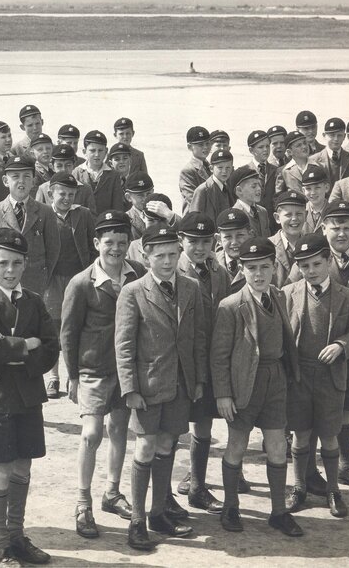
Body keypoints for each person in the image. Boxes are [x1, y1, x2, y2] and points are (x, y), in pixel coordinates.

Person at [0, 228, 60, 568]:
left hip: (28, 396)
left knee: (24, 466)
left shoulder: (34, 301)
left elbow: (51, 349)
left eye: (17, 263)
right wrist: (27, 345)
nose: (10, 270)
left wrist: (15, 350)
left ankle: (18, 536)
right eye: (3, 263)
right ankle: (1, 544)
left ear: (25, 264)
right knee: (2, 470)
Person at [115, 222, 206, 551]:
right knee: (145, 447)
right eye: (160, 255)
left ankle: (158, 512)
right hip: (148, 385)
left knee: (168, 444)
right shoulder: (133, 292)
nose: (167, 261)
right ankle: (137, 519)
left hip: (180, 384)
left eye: (172, 254)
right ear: (146, 255)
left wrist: (197, 380)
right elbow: (124, 345)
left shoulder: (191, 287)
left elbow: (197, 338)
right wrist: (130, 388)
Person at [60, 210, 144, 538]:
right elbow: (69, 332)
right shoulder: (81, 283)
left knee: (120, 429)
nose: (115, 249)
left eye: (122, 242)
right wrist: (73, 376)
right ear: (97, 243)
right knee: (91, 434)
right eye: (109, 242)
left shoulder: (137, 274)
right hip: (92, 369)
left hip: (125, 369)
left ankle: (111, 492)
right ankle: (83, 501)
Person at [211, 236, 302, 536]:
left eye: (265, 267)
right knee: (237, 444)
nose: (259, 274)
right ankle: (230, 507)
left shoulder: (277, 296)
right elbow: (219, 356)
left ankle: (278, 511)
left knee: (277, 445)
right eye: (252, 268)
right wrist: (224, 394)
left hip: (275, 380)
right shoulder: (231, 305)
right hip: (243, 383)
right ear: (242, 269)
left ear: (275, 267)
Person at [282, 234, 349, 520]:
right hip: (300, 377)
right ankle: (300, 487)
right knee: (301, 435)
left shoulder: (346, 296)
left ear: (328, 261)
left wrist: (341, 345)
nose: (311, 271)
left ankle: (333, 490)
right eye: (304, 266)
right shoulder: (289, 293)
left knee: (330, 437)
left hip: (330, 378)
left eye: (317, 264)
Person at [175, 213, 230, 514]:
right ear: (181, 241)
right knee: (170, 429)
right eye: (192, 241)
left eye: (205, 242)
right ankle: (164, 495)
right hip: (183, 362)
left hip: (209, 360)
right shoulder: (175, 271)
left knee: (203, 424)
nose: (199, 247)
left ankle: (198, 487)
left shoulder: (218, 272)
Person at [42, 172, 95, 398]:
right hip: (52, 280)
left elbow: (93, 247)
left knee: (76, 325)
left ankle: (75, 374)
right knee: (53, 327)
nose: (66, 198)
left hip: (78, 279)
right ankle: (53, 377)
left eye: (71, 194)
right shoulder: (43, 214)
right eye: (62, 193)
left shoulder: (83, 214)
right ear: (51, 192)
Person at [0, 156, 60, 299]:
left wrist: (43, 275)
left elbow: (53, 249)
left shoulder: (45, 212)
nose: (21, 181)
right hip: (2, 280)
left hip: (35, 281)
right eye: (15, 176)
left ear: (33, 180)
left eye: (27, 176)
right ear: (5, 181)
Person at [34, 143, 96, 214]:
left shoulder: (85, 189)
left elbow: (92, 217)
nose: (64, 169)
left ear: (74, 165)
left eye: (68, 165)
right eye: (59, 166)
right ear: (52, 166)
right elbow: (38, 216)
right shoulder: (44, 189)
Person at [74, 130, 124, 212]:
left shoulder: (113, 175)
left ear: (106, 151)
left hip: (105, 222)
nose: (97, 154)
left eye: (100, 150)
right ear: (84, 151)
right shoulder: (77, 172)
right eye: (92, 151)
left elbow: (117, 205)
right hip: (82, 222)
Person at [271, 190, 309, 286]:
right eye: (288, 214)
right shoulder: (268, 246)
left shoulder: (312, 245)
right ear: (277, 218)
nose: (294, 219)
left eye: (299, 214)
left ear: (306, 215)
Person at [242, 130, 281, 219]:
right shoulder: (244, 172)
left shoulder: (277, 170)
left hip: (273, 220)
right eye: (260, 147)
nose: (265, 150)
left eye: (267, 146)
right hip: (253, 220)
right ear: (251, 150)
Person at [188, 149, 233, 221]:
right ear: (211, 168)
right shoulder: (203, 190)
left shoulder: (229, 188)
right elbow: (194, 218)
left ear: (232, 169)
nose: (224, 171)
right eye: (220, 168)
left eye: (228, 168)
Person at [309, 117, 349, 192]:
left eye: (339, 135)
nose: (336, 139)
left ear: (344, 136)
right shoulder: (313, 160)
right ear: (324, 135)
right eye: (332, 135)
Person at [230, 166, 272, 238]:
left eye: (259, 185)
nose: (259, 189)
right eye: (253, 186)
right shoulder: (234, 215)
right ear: (239, 190)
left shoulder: (262, 211)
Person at [178, 126, 212, 212]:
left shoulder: (210, 166)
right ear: (190, 147)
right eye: (200, 144)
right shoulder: (187, 171)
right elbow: (193, 200)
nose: (205, 147)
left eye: (207, 143)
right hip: (195, 219)